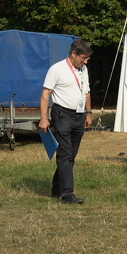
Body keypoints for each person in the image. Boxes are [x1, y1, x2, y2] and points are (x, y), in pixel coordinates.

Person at [38, 40, 93, 204]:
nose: (85, 61)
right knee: (65, 154)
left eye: (87, 59)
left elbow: (87, 92)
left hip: (79, 115)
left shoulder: (84, 69)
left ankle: (57, 188)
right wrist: (44, 118)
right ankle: (67, 193)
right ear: (74, 54)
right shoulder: (57, 69)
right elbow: (45, 94)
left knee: (71, 155)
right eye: (83, 58)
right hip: (62, 115)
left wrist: (89, 113)